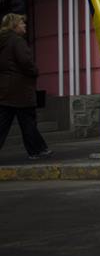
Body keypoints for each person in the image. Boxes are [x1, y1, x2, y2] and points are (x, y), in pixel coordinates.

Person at [0, 13, 51, 160]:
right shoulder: (17, 41)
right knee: (28, 121)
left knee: (3, 124)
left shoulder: (3, 41)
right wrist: (34, 72)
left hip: (5, 90)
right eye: (22, 23)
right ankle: (37, 150)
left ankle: (39, 149)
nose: (24, 26)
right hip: (20, 90)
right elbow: (26, 62)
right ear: (14, 26)